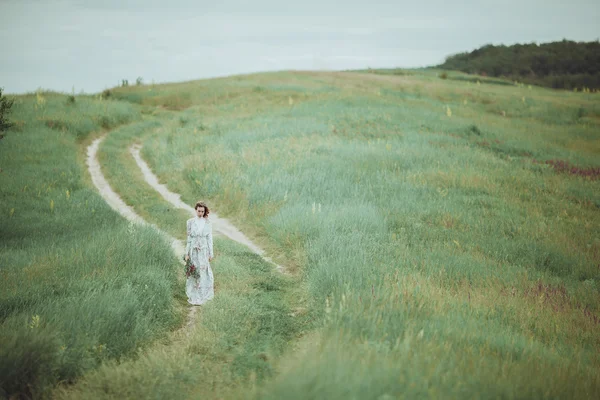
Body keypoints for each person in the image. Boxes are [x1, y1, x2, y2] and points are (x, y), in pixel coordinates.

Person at [184, 201, 215, 305]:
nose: (200, 213)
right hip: (193, 251)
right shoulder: (190, 222)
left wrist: (211, 253)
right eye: (199, 211)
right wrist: (186, 253)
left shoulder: (208, 223)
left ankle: (202, 295)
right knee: (194, 272)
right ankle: (194, 295)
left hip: (204, 251)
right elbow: (188, 239)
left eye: (202, 211)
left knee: (204, 272)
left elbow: (209, 238)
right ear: (195, 210)